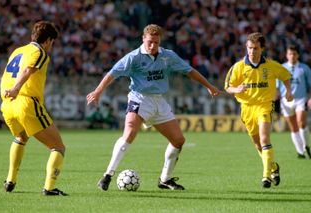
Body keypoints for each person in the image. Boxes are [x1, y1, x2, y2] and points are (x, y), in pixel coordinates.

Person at [87, 24, 222, 191]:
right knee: (129, 132)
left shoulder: (168, 56)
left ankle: (165, 179)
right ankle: (107, 175)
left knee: (178, 140)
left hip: (159, 102)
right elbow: (113, 73)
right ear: (143, 39)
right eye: (150, 42)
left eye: (156, 43)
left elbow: (189, 71)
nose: (152, 46)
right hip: (139, 98)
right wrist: (98, 91)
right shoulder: (133, 57)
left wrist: (209, 86)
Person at [0, 21, 67, 196]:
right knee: (58, 147)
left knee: (21, 137)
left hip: (7, 105)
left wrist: (11, 91)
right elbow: (28, 70)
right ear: (48, 41)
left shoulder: (18, 51)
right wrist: (16, 89)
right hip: (25, 102)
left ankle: (10, 180)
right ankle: (50, 188)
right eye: (52, 42)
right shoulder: (40, 52)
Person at [224, 32, 293, 188]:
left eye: (255, 48)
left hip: (265, 105)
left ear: (262, 49)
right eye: (249, 48)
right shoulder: (238, 67)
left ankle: (266, 176)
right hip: (247, 108)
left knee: (264, 139)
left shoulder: (271, 65)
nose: (252, 51)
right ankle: (274, 167)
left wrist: (288, 91)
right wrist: (237, 89)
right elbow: (227, 87)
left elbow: (285, 76)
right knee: (257, 145)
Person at [277, 45, 311, 159]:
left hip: (301, 99)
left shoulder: (304, 68)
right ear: (287, 55)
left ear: (298, 55)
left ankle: (306, 145)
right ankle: (300, 151)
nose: (292, 56)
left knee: (301, 122)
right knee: (293, 127)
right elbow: (277, 87)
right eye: (290, 54)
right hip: (285, 101)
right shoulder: (281, 68)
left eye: (294, 54)